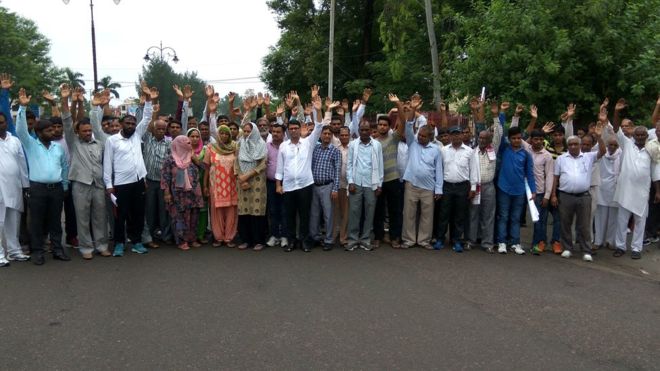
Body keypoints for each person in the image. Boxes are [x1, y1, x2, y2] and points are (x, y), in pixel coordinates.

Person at [16, 88, 70, 265]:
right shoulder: (31, 144)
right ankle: (37, 251)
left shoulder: (58, 148)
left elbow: (64, 167)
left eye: (52, 130)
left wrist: (64, 186)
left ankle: (57, 249)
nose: (52, 132)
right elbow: (21, 130)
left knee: (55, 222)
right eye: (48, 130)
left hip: (56, 189)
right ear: (39, 133)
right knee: (37, 222)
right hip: (37, 189)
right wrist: (23, 108)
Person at [276, 97, 335, 252]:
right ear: (288, 130)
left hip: (305, 185)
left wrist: (318, 110)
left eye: (296, 128)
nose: (294, 130)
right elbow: (280, 168)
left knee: (305, 215)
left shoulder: (308, 142)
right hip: (288, 186)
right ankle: (291, 241)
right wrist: (278, 185)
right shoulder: (283, 146)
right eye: (291, 128)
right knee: (289, 215)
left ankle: (304, 241)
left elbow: (319, 126)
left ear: (299, 129)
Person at [103, 82, 154, 257]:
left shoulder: (137, 135)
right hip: (121, 185)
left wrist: (147, 99)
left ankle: (137, 242)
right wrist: (109, 186)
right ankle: (119, 243)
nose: (132, 125)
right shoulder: (112, 141)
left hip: (139, 182)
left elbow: (147, 117)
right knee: (120, 215)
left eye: (133, 123)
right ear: (122, 124)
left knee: (139, 214)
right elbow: (107, 164)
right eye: (128, 123)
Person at [62, 86, 110, 259]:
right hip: (80, 185)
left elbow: (98, 125)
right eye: (85, 131)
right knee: (82, 218)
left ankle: (102, 245)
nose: (88, 133)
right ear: (78, 132)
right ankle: (86, 248)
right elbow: (67, 121)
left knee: (100, 217)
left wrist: (97, 107)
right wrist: (66, 100)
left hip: (98, 185)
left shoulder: (99, 144)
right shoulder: (73, 143)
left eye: (90, 131)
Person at [391, 94, 443, 249]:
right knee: (409, 214)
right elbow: (408, 126)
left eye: (423, 136)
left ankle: (424, 240)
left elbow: (439, 170)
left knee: (427, 216)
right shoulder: (412, 143)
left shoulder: (436, 150)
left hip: (428, 187)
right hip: (411, 184)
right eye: (419, 135)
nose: (420, 137)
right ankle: (408, 239)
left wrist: (438, 188)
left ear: (430, 137)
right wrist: (412, 109)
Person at [611, 99, 660, 259]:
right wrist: (617, 111)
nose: (639, 136)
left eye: (642, 135)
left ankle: (636, 248)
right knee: (622, 220)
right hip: (625, 189)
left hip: (642, 191)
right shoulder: (626, 144)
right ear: (633, 135)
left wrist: (657, 191)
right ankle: (620, 246)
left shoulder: (651, 150)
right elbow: (616, 128)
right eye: (637, 134)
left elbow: (654, 173)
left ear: (647, 136)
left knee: (640, 221)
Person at [551, 130, 605, 262]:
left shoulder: (589, 157)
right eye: (571, 144)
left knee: (584, 225)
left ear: (580, 145)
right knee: (565, 223)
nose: (573, 146)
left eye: (576, 144)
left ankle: (586, 250)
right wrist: (553, 195)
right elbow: (555, 178)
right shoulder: (561, 159)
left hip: (584, 196)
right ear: (568, 146)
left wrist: (598, 137)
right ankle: (568, 248)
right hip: (565, 195)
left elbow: (603, 151)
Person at [435, 126, 478, 252]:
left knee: (459, 215)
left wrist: (473, 187)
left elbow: (473, 170)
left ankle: (457, 241)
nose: (456, 136)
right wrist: (438, 187)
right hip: (447, 186)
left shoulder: (469, 151)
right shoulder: (443, 150)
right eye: (453, 134)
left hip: (462, 186)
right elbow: (439, 170)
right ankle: (440, 239)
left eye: (458, 134)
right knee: (443, 214)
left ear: (461, 135)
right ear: (450, 136)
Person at [496, 126, 536, 255]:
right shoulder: (503, 150)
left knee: (516, 218)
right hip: (503, 188)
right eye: (514, 138)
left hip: (519, 190)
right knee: (503, 216)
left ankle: (515, 243)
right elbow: (500, 135)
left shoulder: (526, 154)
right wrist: (501, 114)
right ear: (509, 139)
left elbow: (529, 174)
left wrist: (533, 191)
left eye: (519, 138)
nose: (517, 140)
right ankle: (502, 242)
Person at [467, 112, 503, 253]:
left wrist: (495, 117)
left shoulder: (493, 149)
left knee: (488, 215)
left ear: (489, 140)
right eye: (480, 137)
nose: (481, 140)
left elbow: (499, 133)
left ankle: (487, 243)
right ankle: (470, 240)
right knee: (473, 214)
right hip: (475, 186)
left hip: (488, 186)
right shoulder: (472, 152)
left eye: (484, 138)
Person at [0, 100, 30, 266]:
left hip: (14, 187)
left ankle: (14, 251)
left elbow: (22, 165)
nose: (0, 125)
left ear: (6, 123)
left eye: (2, 122)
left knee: (14, 221)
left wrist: (26, 186)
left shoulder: (14, 140)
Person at [235, 101, 268, 251]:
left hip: (257, 182)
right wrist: (241, 178)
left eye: (249, 131)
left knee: (257, 212)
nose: (247, 134)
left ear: (254, 131)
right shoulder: (239, 144)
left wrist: (248, 175)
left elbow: (262, 164)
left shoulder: (262, 144)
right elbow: (236, 162)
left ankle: (259, 240)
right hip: (242, 183)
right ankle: (245, 240)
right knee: (244, 212)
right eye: (245, 131)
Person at [161, 135, 204, 250]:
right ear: (179, 144)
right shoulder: (170, 159)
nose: (190, 145)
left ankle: (192, 239)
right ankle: (181, 240)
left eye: (189, 143)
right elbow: (165, 177)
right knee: (179, 217)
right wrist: (167, 193)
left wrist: (196, 159)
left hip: (194, 193)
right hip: (178, 194)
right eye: (187, 143)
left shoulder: (192, 157)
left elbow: (205, 167)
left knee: (194, 216)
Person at [346, 121, 383, 251]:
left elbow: (380, 165)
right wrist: (350, 181)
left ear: (370, 130)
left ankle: (366, 239)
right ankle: (352, 239)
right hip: (356, 182)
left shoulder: (376, 145)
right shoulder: (353, 145)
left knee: (370, 212)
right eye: (362, 130)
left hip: (371, 183)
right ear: (359, 130)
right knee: (354, 212)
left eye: (367, 130)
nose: (364, 132)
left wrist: (379, 184)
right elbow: (349, 164)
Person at [204, 125, 238, 247]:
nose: (224, 136)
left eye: (226, 134)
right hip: (216, 186)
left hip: (232, 186)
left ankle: (229, 237)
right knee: (216, 211)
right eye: (221, 133)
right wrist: (205, 186)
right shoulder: (210, 148)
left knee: (231, 211)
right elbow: (207, 169)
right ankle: (218, 237)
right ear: (218, 135)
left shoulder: (235, 147)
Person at [143, 109, 173, 247]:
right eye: (158, 128)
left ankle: (165, 236)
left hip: (163, 182)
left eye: (163, 129)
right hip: (149, 181)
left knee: (164, 210)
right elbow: (149, 124)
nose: (161, 131)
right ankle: (149, 237)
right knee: (149, 210)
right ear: (154, 129)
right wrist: (154, 112)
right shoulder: (148, 139)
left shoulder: (169, 142)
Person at [373, 115, 403, 249]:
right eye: (380, 124)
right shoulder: (373, 142)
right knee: (378, 211)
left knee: (394, 210)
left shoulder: (394, 138)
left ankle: (394, 237)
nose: (382, 127)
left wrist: (398, 105)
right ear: (377, 126)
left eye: (385, 125)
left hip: (393, 179)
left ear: (389, 127)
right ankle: (378, 237)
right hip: (378, 181)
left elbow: (402, 122)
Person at [310, 126, 341, 250]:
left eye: (329, 134)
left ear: (331, 136)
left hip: (328, 186)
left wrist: (335, 189)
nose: (327, 136)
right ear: (320, 135)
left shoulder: (335, 150)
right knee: (314, 214)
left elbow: (337, 170)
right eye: (325, 133)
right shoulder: (315, 149)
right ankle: (315, 237)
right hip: (314, 186)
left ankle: (328, 240)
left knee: (328, 215)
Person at [593, 136, 621, 250]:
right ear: (607, 145)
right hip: (602, 188)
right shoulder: (601, 154)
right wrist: (599, 136)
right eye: (610, 144)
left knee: (614, 217)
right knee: (600, 216)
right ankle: (598, 241)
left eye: (615, 145)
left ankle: (610, 241)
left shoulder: (621, 155)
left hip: (616, 188)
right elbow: (596, 146)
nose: (612, 147)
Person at [265, 123, 288, 248]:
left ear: (283, 134)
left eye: (278, 132)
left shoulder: (287, 146)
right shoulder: (267, 146)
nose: (275, 134)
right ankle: (274, 235)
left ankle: (284, 236)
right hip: (270, 183)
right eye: (273, 131)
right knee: (273, 210)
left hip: (285, 183)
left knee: (284, 210)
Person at [188, 128, 209, 244]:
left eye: (197, 136)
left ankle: (200, 234)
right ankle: (188, 236)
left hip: (201, 182)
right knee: (189, 211)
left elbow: (206, 168)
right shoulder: (183, 149)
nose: (195, 139)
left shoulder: (205, 150)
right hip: (186, 185)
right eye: (192, 136)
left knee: (202, 210)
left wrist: (195, 160)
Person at [333, 126, 351, 248]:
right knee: (335, 212)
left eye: (346, 135)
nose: (344, 137)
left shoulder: (353, 148)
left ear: (349, 135)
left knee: (346, 212)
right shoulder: (335, 148)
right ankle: (334, 235)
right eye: (342, 135)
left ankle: (343, 236)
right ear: (339, 136)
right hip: (336, 185)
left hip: (349, 185)